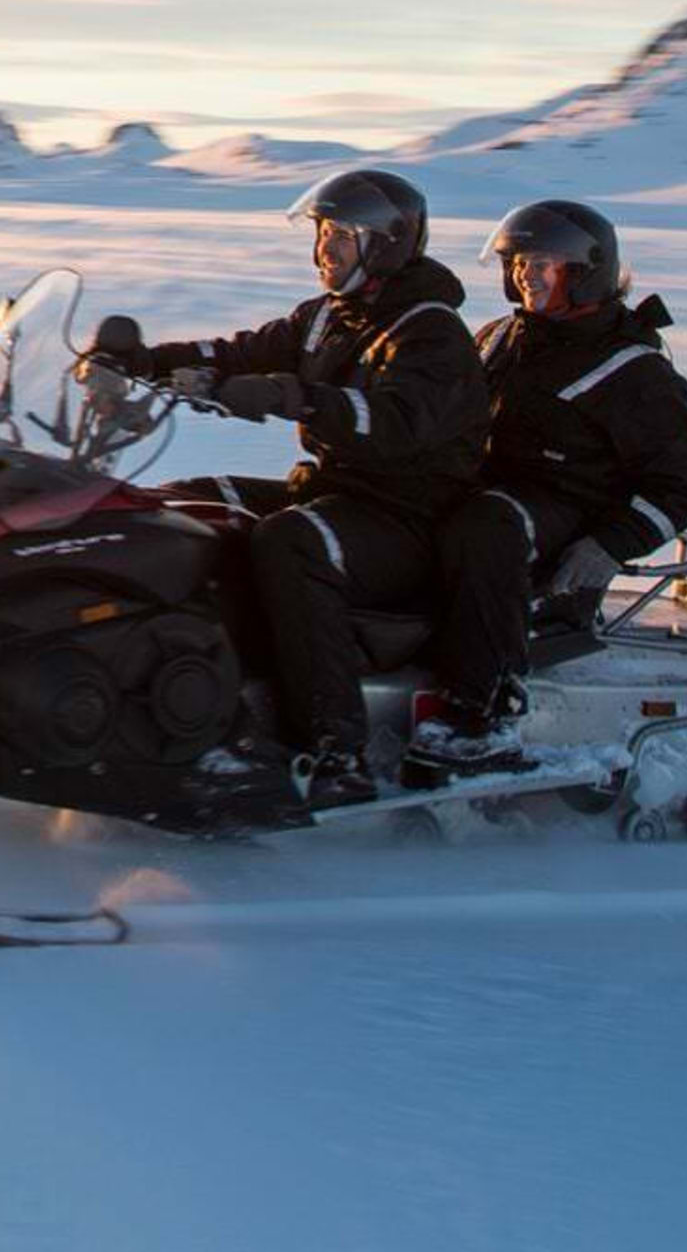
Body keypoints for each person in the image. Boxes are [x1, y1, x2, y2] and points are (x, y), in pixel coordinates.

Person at [86, 169, 485, 806]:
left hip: (409, 515)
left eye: (341, 237)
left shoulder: (430, 331)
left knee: (291, 540)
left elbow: (395, 421)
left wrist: (291, 397)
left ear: (383, 243)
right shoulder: (328, 316)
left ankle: (335, 749)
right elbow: (241, 350)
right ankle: (191, 688)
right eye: (323, 234)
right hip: (332, 490)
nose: (324, 250)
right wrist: (144, 361)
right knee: (186, 504)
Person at [408, 198, 687, 772]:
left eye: (542, 261)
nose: (525, 272)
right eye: (519, 260)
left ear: (585, 271)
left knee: (488, 524)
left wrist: (608, 547)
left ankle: (485, 713)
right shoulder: (500, 337)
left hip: (566, 520)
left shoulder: (634, 371)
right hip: (488, 496)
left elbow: (684, 485)